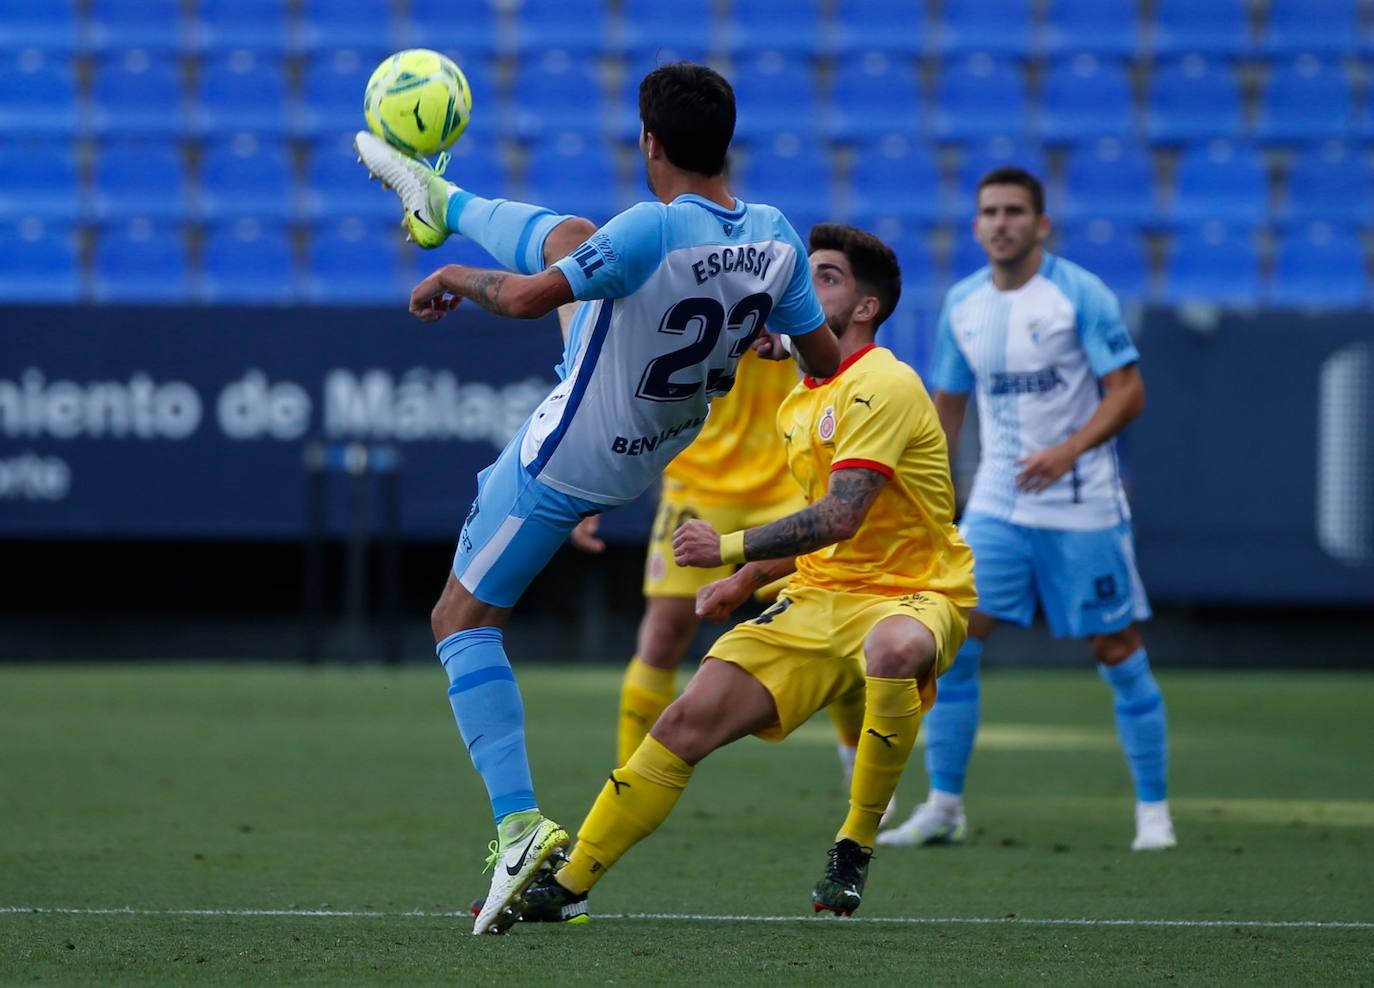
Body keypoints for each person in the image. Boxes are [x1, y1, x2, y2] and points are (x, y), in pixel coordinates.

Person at [354, 62, 841, 934]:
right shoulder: (776, 238)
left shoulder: (651, 229)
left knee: (459, 620)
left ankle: (516, 828)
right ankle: (440, 195)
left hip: (567, 457)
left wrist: (453, 279)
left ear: (650, 143)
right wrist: (755, 329)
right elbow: (824, 362)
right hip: (654, 439)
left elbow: (524, 301)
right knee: (571, 235)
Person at [491, 224, 976, 931]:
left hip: (916, 593)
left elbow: (840, 517)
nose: (807, 290)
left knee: (892, 650)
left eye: (828, 278)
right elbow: (820, 525)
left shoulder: (886, 384)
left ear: (866, 308)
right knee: (686, 720)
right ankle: (568, 884)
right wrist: (748, 581)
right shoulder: (800, 400)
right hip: (820, 596)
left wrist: (727, 551)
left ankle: (854, 844)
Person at [878, 167, 1174, 853]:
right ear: (977, 225)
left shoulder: (1078, 294)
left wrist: (1068, 450)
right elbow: (947, 407)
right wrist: (928, 500)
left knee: (1116, 647)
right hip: (998, 508)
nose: (1001, 222)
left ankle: (1154, 813)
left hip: (1082, 503)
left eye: (1015, 211)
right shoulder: (963, 304)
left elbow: (1128, 392)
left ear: (1041, 224)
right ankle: (945, 806)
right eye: (990, 211)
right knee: (952, 641)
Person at [571, 347, 886, 803]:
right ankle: (630, 783)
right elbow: (626, 383)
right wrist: (595, 483)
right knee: (664, 632)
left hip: (786, 477)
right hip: (698, 478)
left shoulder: (793, 279)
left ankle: (858, 760)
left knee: (830, 624)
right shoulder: (678, 280)